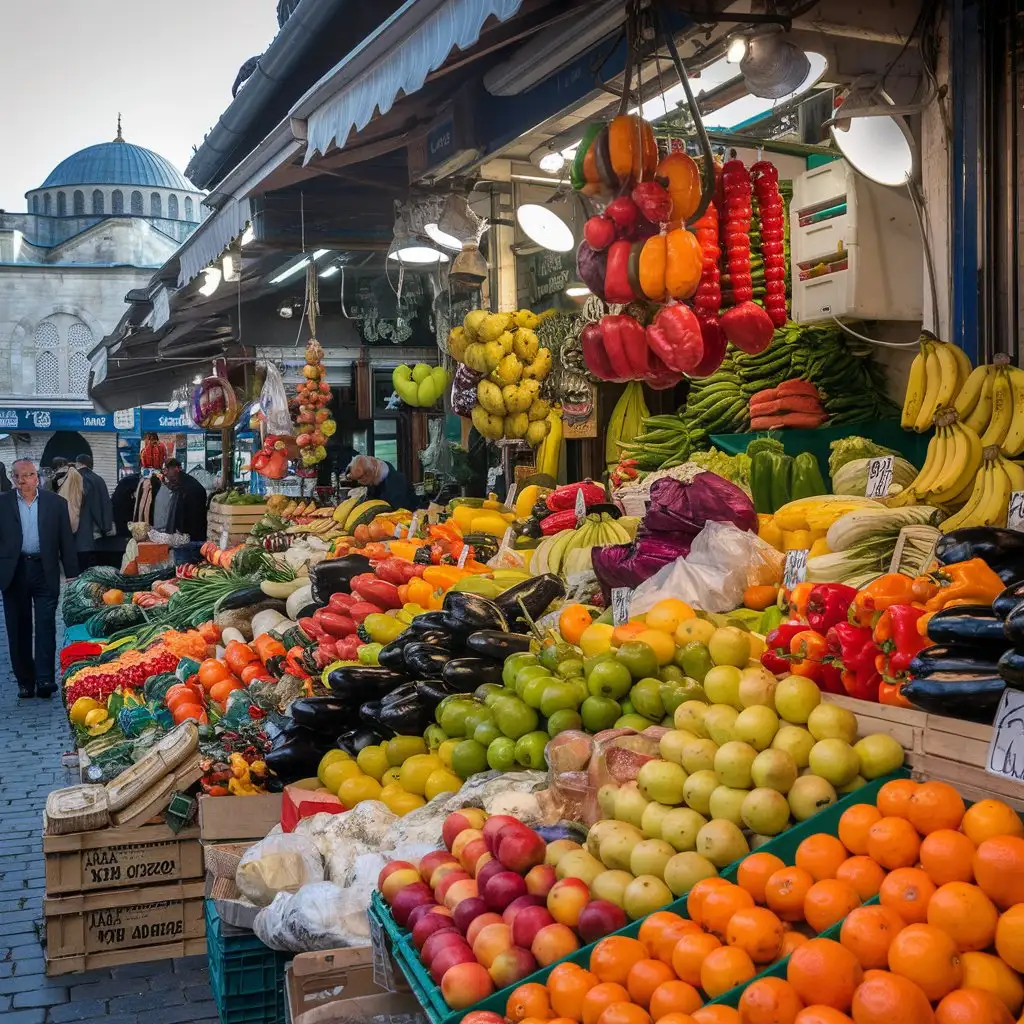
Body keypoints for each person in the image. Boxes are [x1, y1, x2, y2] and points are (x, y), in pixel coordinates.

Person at [0, 459, 78, 699]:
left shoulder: (56, 504)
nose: (23, 480)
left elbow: (66, 539)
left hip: (45, 570)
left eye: (28, 475)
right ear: (13, 478)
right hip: (15, 571)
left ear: (37, 477)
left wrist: (72, 572)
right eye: (18, 476)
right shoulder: (2, 504)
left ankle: (45, 679)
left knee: (46, 625)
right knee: (18, 627)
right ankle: (25, 680)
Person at [138, 459, 208, 561]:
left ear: (176, 469)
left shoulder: (190, 487)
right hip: (184, 538)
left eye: (167, 470)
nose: (165, 474)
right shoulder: (179, 483)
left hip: (191, 540)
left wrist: (179, 535)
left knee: (186, 566)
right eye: (164, 470)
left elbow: (191, 516)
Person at [75, 454, 114, 571]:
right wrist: (106, 527)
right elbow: (105, 505)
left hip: (76, 535)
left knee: (79, 572)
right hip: (95, 535)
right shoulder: (98, 479)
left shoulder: (71, 480)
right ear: (90, 464)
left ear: (78, 463)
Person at [345, 454, 419, 509]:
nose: (359, 483)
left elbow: (395, 514)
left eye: (360, 480)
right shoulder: (378, 468)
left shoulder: (396, 485)